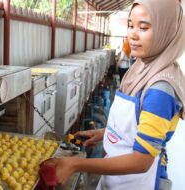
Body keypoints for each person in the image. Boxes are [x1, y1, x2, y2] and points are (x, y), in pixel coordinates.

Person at [43, 0, 185, 190]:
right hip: (116, 181)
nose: (133, 34)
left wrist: (75, 164)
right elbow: (136, 127)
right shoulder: (141, 69)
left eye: (143, 28)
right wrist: (106, 134)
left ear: (165, 32)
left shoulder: (160, 89)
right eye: (130, 25)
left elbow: (141, 161)